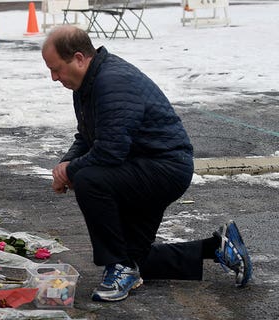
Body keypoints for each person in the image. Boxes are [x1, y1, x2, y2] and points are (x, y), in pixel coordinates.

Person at [42, 26, 253, 302]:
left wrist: (70, 171)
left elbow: (110, 152)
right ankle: (217, 248)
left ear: (79, 58)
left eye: (56, 69)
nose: (53, 77)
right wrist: (66, 163)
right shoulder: (87, 85)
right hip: (143, 166)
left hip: (164, 168)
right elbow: (87, 137)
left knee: (89, 179)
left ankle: (120, 267)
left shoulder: (111, 82)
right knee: (137, 256)